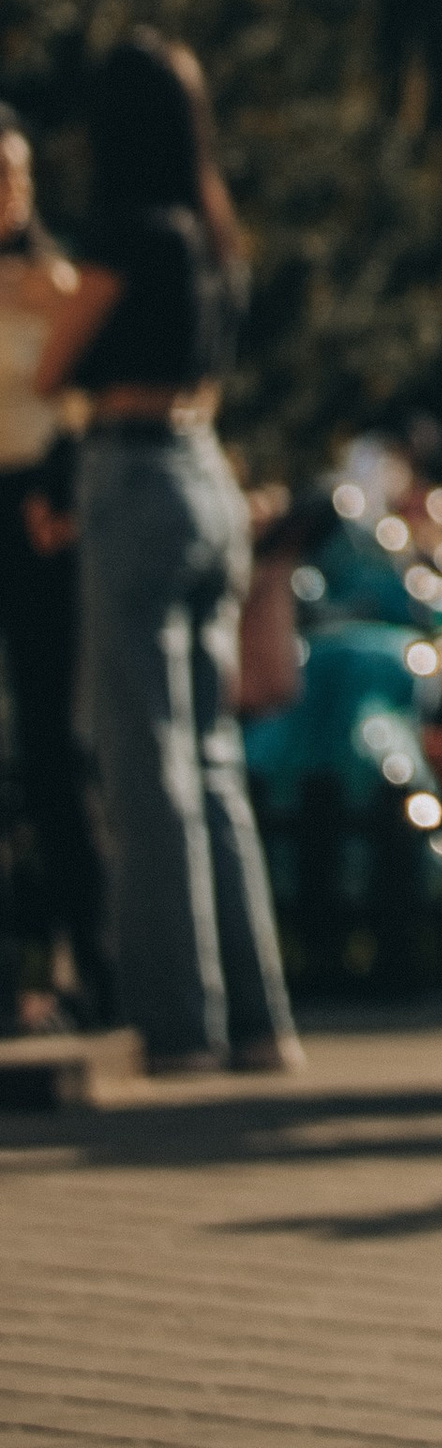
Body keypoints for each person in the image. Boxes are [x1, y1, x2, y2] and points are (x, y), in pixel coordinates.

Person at [36, 35, 298, 1076]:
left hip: (132, 474)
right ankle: (260, 1022)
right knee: (214, 767)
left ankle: (179, 1024)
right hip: (206, 477)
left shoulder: (125, 232)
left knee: (143, 765)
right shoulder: (212, 235)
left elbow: (56, 361)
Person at [0, 107, 104, 1026]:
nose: (13, 191)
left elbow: (81, 399)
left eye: (19, 173)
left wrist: (62, 492)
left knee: (51, 741)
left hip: (34, 507)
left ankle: (90, 960)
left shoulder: (52, 280)